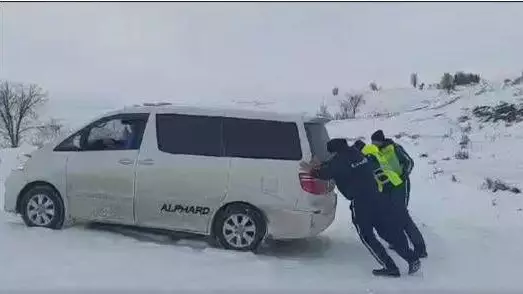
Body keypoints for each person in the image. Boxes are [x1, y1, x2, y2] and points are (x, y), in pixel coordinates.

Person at [300, 138, 421, 277]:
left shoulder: (338, 161)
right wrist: (323, 164)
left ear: (334, 152)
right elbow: (337, 165)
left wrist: (311, 170)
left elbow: (325, 174)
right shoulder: (356, 153)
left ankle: (390, 267)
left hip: (361, 203)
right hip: (377, 197)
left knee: (367, 236)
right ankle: (412, 258)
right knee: (385, 232)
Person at [371, 130, 428, 258]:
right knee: (390, 215)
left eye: (375, 141)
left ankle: (420, 247)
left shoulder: (395, 148)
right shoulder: (376, 152)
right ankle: (398, 242)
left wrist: (403, 176)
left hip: (401, 186)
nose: (373, 144)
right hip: (387, 187)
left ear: (381, 140)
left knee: (402, 215)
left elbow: (409, 162)